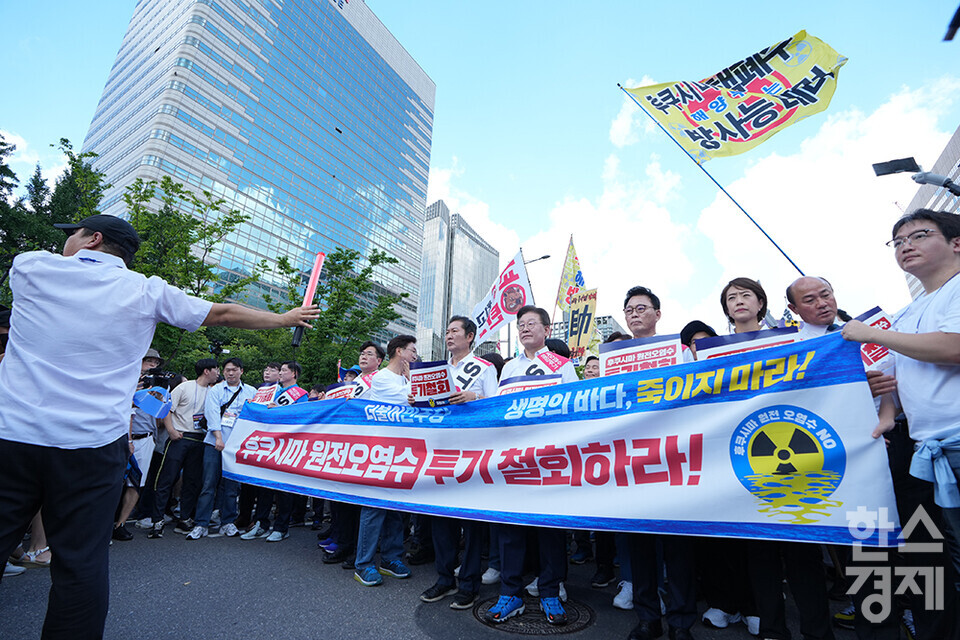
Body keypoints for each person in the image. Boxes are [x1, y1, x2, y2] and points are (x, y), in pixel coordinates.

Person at [0, 214, 318, 638]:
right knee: (80, 565)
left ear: (93, 239)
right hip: (91, 446)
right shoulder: (148, 290)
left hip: (12, 437)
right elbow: (221, 313)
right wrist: (284, 317)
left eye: (72, 235)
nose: (66, 243)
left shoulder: (32, 267)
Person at [843, 209, 960, 630]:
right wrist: (886, 417)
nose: (905, 246)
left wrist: (872, 334)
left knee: (932, 547)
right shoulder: (908, 314)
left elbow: (952, 348)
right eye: (898, 241)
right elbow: (894, 374)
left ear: (956, 243)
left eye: (918, 235)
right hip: (931, 451)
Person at [484, 306, 577, 626]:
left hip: (550, 458)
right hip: (513, 459)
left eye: (531, 324)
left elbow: (573, 407)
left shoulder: (562, 365)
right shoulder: (509, 367)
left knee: (549, 529)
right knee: (510, 530)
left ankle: (550, 591)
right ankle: (510, 592)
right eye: (520, 324)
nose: (524, 329)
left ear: (547, 329)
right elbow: (498, 409)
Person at [617, 287, 698, 640]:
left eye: (641, 308)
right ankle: (647, 617)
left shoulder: (679, 352)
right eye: (629, 310)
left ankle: (681, 622)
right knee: (641, 547)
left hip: (674, 457)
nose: (634, 314)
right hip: (630, 460)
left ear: (658, 314)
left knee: (677, 548)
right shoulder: (612, 357)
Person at [420, 317, 498, 610]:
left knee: (472, 524)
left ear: (470, 336)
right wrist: (416, 399)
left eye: (455, 331)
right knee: (441, 520)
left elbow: (496, 404)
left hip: (473, 453)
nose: (449, 335)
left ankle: (469, 584)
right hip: (441, 452)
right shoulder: (435, 370)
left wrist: (474, 396)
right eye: (447, 331)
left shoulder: (485, 369)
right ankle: (444, 578)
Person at [353, 335, 418, 587]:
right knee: (374, 507)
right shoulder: (380, 378)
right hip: (380, 450)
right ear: (399, 351)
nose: (415, 356)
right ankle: (364, 564)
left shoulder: (403, 378)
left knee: (395, 508)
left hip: (402, 450)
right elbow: (407, 399)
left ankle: (391, 558)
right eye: (412, 351)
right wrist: (414, 381)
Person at [189, 357, 257, 540]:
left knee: (232, 487)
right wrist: (218, 437)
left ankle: (228, 522)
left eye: (234, 369)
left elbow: (257, 415)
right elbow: (211, 415)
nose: (230, 373)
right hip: (214, 443)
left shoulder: (251, 391)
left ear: (241, 371)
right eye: (227, 370)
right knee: (208, 484)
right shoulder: (216, 390)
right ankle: (201, 524)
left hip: (237, 446)